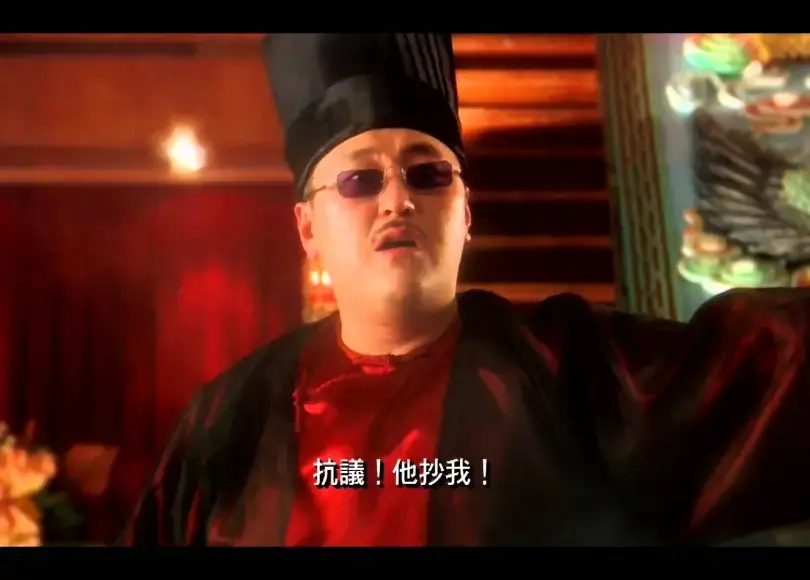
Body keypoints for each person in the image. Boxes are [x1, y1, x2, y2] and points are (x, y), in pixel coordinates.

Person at [121, 33, 810, 547]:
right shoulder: (229, 422)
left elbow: (777, 371)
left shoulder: (578, 371)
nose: (398, 199)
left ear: (466, 212)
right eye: (361, 180)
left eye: (428, 174)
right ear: (307, 227)